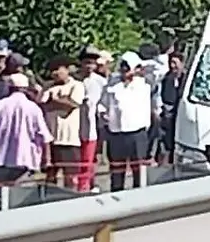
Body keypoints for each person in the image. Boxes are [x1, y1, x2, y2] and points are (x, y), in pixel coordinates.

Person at [100, 52, 156, 191]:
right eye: (122, 67)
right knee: (117, 172)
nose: (124, 70)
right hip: (116, 133)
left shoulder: (143, 85)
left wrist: (138, 70)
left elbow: (154, 69)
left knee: (139, 172)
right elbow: (103, 104)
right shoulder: (112, 85)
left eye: (127, 67)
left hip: (137, 133)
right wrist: (103, 115)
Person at [40, 57, 86, 188]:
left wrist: (56, 100)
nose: (54, 73)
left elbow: (73, 104)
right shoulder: (47, 87)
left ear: (66, 70)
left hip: (69, 140)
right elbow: (42, 105)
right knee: (50, 177)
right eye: (52, 70)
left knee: (71, 177)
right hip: (51, 140)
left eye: (57, 69)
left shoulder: (76, 85)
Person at [0, 74, 53, 175]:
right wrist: (47, 159)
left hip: (0, 159)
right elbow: (44, 136)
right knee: (24, 190)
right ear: (25, 89)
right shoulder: (33, 108)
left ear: (9, 87)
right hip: (26, 161)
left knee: (0, 189)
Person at [76, 46, 109, 192]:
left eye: (92, 63)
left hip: (92, 126)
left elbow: (104, 102)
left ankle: (86, 185)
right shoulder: (75, 80)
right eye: (86, 62)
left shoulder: (100, 82)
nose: (89, 66)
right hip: (74, 125)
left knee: (89, 158)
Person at [157, 51, 186, 164]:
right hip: (168, 117)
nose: (172, 66)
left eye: (175, 62)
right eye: (171, 62)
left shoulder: (186, 79)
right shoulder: (166, 79)